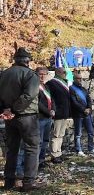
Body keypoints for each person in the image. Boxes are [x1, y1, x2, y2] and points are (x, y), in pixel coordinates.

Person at [0, 48, 43, 191]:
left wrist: (5, 110)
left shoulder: (4, 74)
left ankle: (9, 181)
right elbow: (29, 95)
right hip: (26, 117)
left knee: (12, 149)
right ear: (27, 61)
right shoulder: (30, 75)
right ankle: (28, 182)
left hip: (9, 117)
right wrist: (13, 109)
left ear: (15, 60)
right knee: (32, 148)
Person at [46, 67, 71, 164]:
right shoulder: (51, 83)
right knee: (55, 135)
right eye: (63, 72)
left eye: (65, 72)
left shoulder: (64, 83)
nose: (65, 73)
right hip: (57, 113)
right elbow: (51, 99)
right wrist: (53, 110)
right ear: (57, 72)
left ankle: (58, 153)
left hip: (65, 112)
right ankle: (54, 155)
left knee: (61, 134)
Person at [70, 72, 94, 156]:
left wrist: (89, 109)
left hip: (87, 114)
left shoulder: (84, 89)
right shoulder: (71, 89)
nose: (80, 80)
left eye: (81, 78)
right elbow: (74, 102)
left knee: (91, 132)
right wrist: (83, 109)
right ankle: (78, 150)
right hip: (78, 114)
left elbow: (89, 100)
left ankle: (90, 148)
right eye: (78, 78)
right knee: (78, 134)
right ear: (74, 79)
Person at [37, 67, 56, 168]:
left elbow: (51, 100)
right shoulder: (35, 87)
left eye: (44, 74)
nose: (42, 76)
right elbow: (38, 103)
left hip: (48, 118)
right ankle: (36, 162)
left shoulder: (46, 87)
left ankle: (42, 160)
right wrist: (49, 111)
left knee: (45, 141)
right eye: (40, 74)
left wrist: (53, 110)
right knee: (39, 142)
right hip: (40, 117)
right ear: (36, 74)